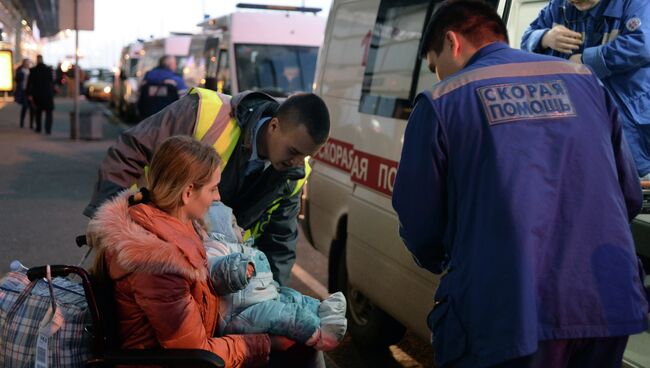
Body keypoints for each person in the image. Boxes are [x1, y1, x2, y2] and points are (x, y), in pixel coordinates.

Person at [392, 1, 649, 367]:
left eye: (435, 66)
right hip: (604, 305)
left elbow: (419, 222)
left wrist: (450, 263)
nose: (438, 76)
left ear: (452, 42)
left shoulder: (442, 101)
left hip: (505, 314)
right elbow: (628, 194)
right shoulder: (586, 82)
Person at [87, 136, 325, 367]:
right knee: (301, 350)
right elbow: (193, 353)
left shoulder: (172, 222)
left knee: (302, 343)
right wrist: (266, 343)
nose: (218, 197)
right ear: (188, 192)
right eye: (213, 189)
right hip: (174, 362)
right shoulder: (159, 264)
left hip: (192, 348)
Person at [84, 89, 330, 288]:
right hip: (155, 253)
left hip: (221, 274)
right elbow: (131, 150)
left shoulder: (295, 176)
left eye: (306, 157)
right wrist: (107, 221)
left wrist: (273, 299)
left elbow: (280, 243)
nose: (298, 163)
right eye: (294, 152)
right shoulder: (204, 113)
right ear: (274, 126)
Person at [520, 0, 650, 177]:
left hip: (630, 114)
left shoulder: (634, 3)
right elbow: (526, 40)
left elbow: (642, 45)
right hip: (578, 119)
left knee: (635, 180)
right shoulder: (559, 6)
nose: (572, 2)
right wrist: (545, 38)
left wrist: (584, 62)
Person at [204, 201, 347, 351]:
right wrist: (239, 269)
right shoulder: (214, 248)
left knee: (292, 298)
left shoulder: (237, 247)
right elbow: (215, 272)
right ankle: (317, 335)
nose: (241, 229)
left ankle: (322, 311)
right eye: (233, 225)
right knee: (285, 315)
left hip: (259, 300)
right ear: (218, 230)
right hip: (242, 313)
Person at [26, 55, 55, 135]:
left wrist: (28, 94)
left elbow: (29, 83)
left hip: (37, 94)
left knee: (38, 112)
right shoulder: (48, 69)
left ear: (37, 60)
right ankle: (48, 129)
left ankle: (39, 128)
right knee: (49, 113)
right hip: (47, 94)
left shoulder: (33, 70)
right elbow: (52, 82)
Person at [14, 59, 33, 129]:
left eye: (28, 63)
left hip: (30, 91)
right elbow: (16, 79)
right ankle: (22, 122)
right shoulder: (20, 70)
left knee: (31, 107)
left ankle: (31, 124)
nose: (27, 64)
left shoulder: (31, 71)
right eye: (26, 63)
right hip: (23, 90)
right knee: (25, 106)